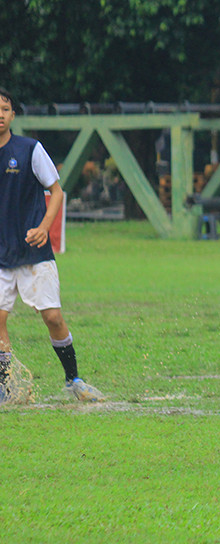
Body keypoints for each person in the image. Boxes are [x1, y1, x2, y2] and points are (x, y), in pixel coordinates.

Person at [0, 88, 104, 404]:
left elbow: (56, 191)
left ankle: (73, 379)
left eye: (4, 108)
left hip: (33, 253)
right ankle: (5, 388)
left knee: (53, 318)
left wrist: (45, 228)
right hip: (0, 254)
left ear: (13, 115)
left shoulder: (30, 149)